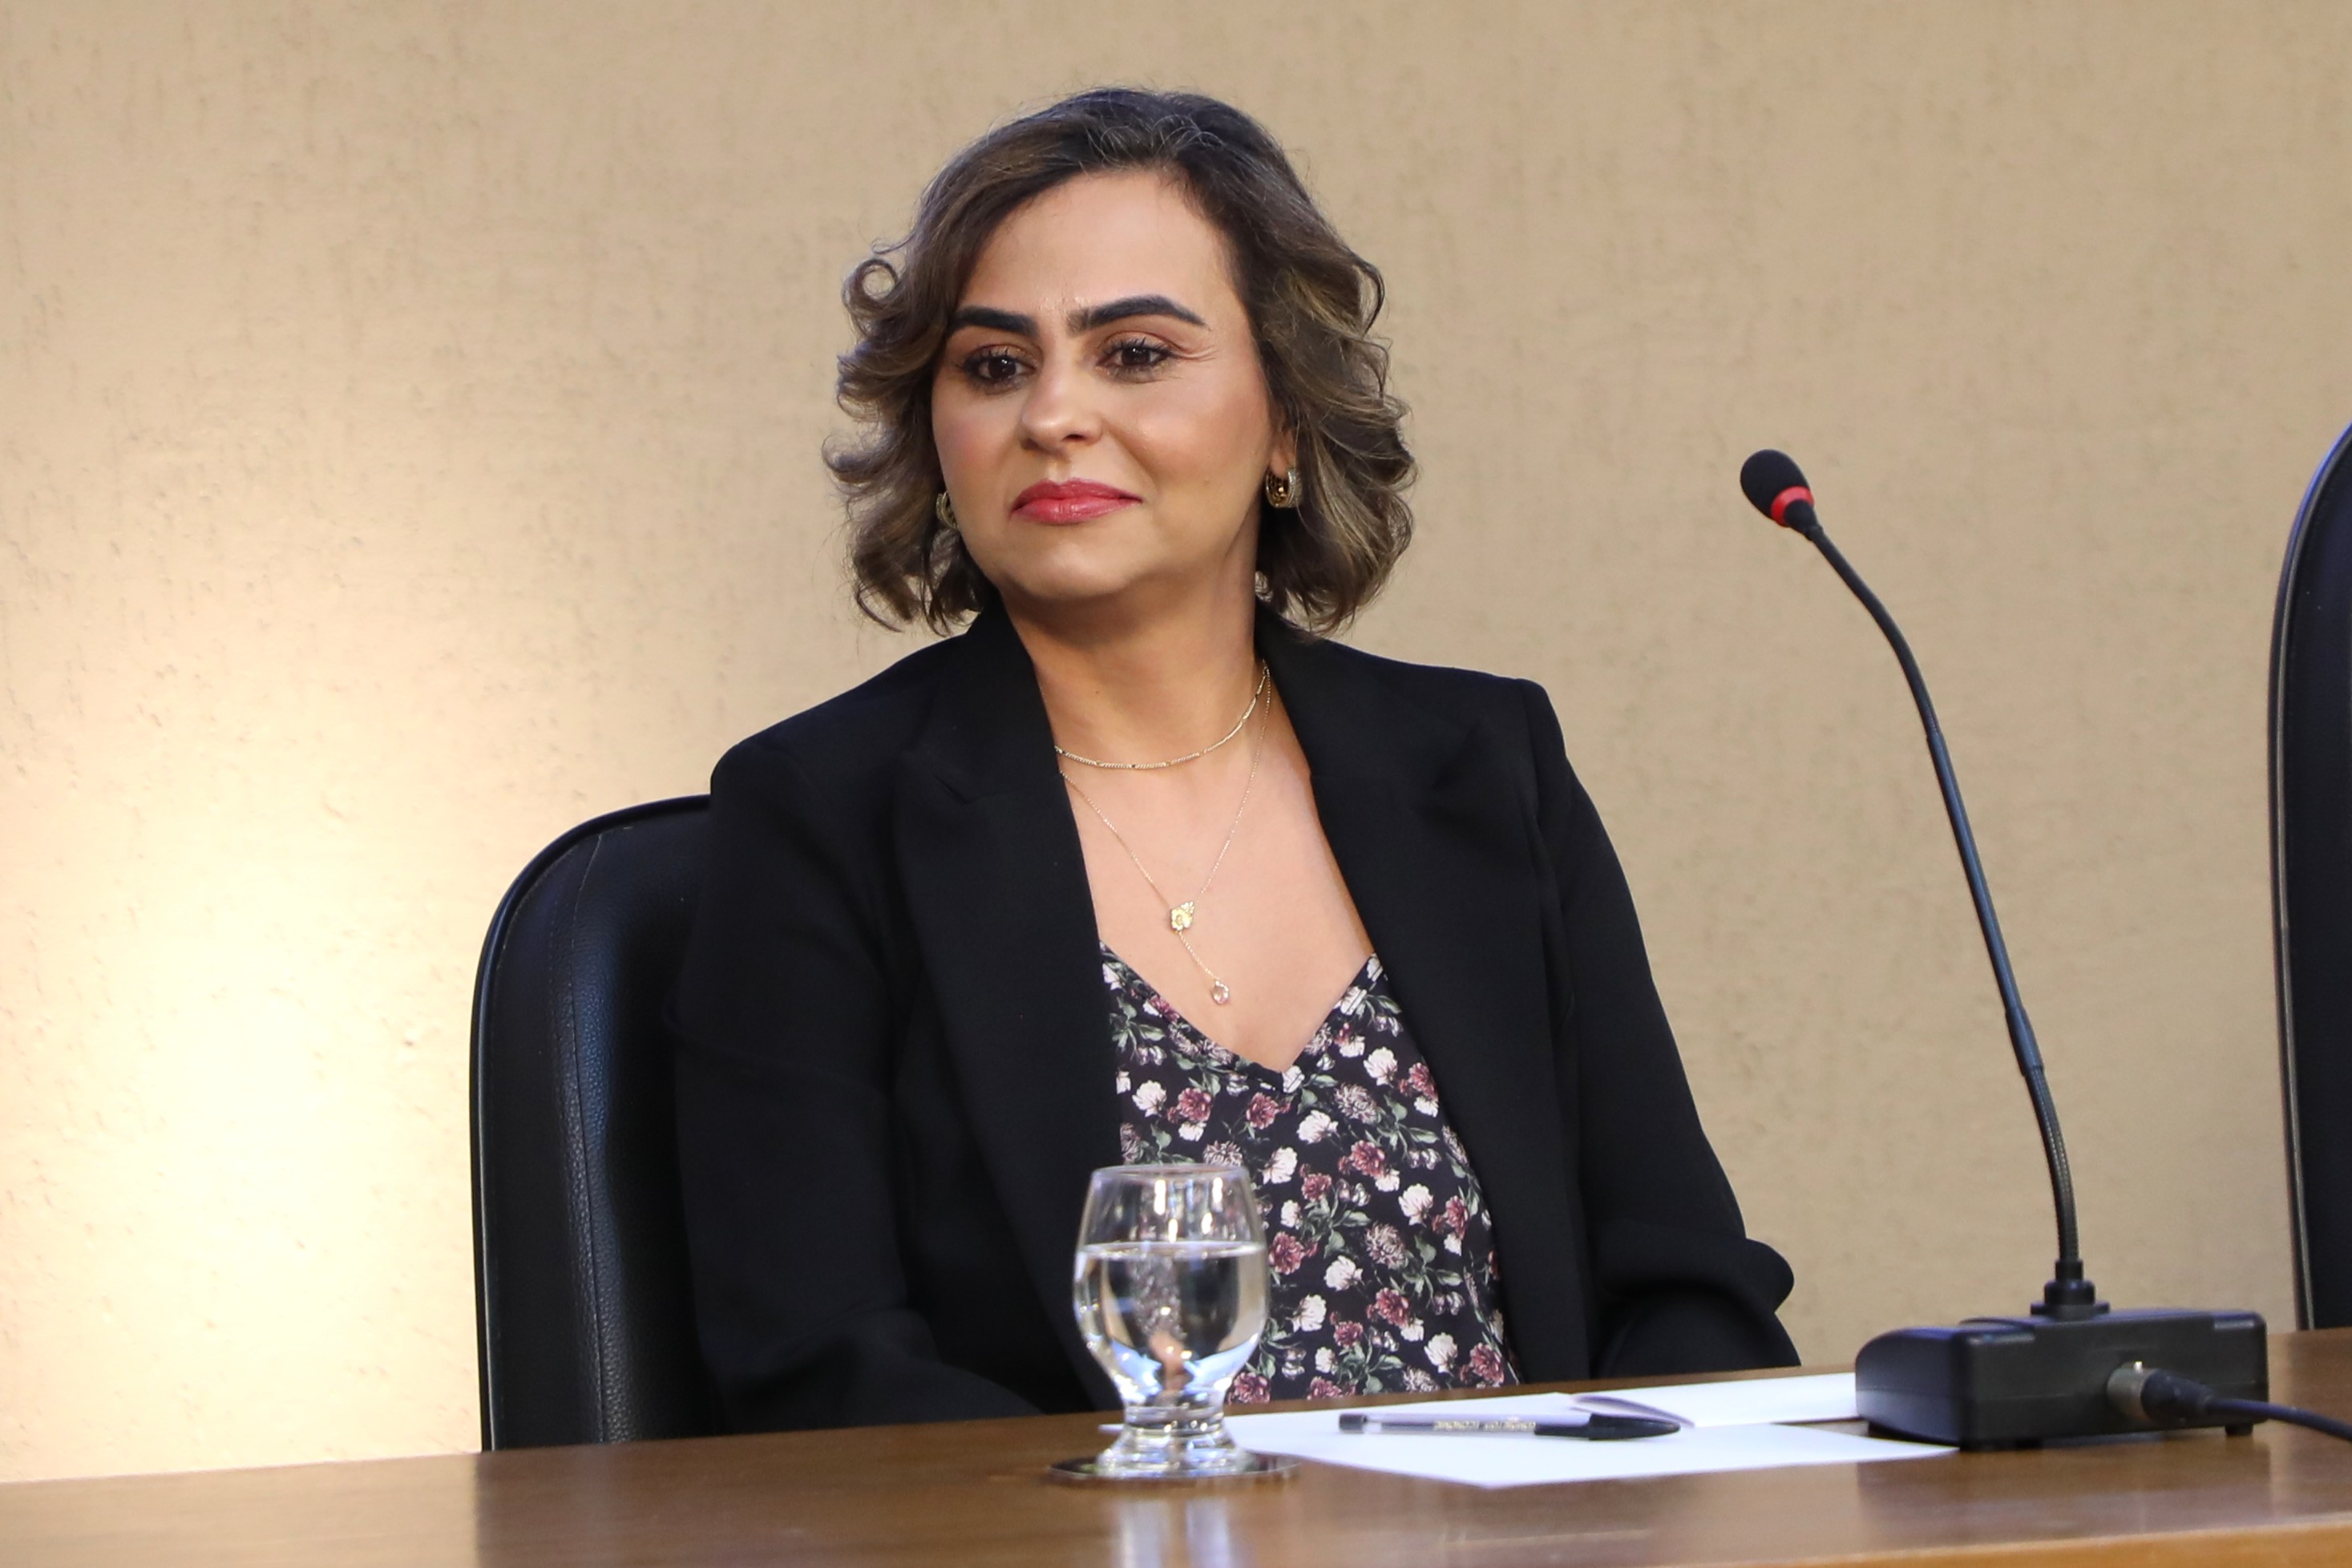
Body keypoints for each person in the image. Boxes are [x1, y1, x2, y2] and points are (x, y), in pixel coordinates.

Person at [670, 87, 1797, 1434]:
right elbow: (816, 1371)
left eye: (1136, 353)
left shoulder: (1486, 771)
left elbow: (1685, 1289)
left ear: (1286, 423)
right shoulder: (823, 814)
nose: (1053, 413)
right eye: (994, 365)